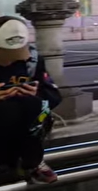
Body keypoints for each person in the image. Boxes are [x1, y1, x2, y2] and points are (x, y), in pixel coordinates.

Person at [0, 17, 61, 184]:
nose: (12, 60)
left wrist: (37, 93)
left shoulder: (32, 60)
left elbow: (54, 96)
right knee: (8, 110)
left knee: (36, 105)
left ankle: (32, 162)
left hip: (28, 124)